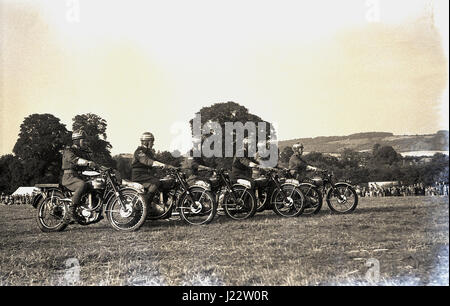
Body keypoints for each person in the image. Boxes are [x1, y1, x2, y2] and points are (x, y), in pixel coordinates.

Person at [131, 132, 175, 215]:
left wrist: (170, 166)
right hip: (139, 176)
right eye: (152, 141)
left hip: (147, 175)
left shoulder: (149, 152)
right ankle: (146, 206)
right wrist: (163, 165)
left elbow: (156, 161)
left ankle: (162, 206)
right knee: (156, 183)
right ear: (146, 141)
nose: (153, 144)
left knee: (163, 182)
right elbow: (147, 161)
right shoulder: (139, 151)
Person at [61, 130, 98, 223]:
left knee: (94, 186)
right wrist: (87, 162)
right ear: (77, 140)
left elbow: (93, 163)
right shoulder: (68, 150)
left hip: (80, 176)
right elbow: (74, 160)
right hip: (69, 176)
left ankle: (92, 211)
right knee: (82, 185)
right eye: (83, 140)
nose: (85, 142)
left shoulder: (83, 151)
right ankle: (71, 212)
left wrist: (101, 167)